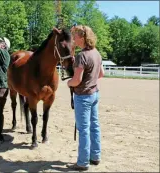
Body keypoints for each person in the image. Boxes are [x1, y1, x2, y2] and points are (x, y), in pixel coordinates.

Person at [67, 25, 105, 171]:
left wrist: (69, 83)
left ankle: (83, 162)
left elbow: (77, 80)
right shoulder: (96, 53)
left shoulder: (81, 56)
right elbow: (101, 74)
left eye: (75, 36)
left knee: (83, 129)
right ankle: (95, 156)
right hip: (94, 93)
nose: (73, 38)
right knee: (94, 126)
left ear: (82, 37)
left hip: (83, 96)